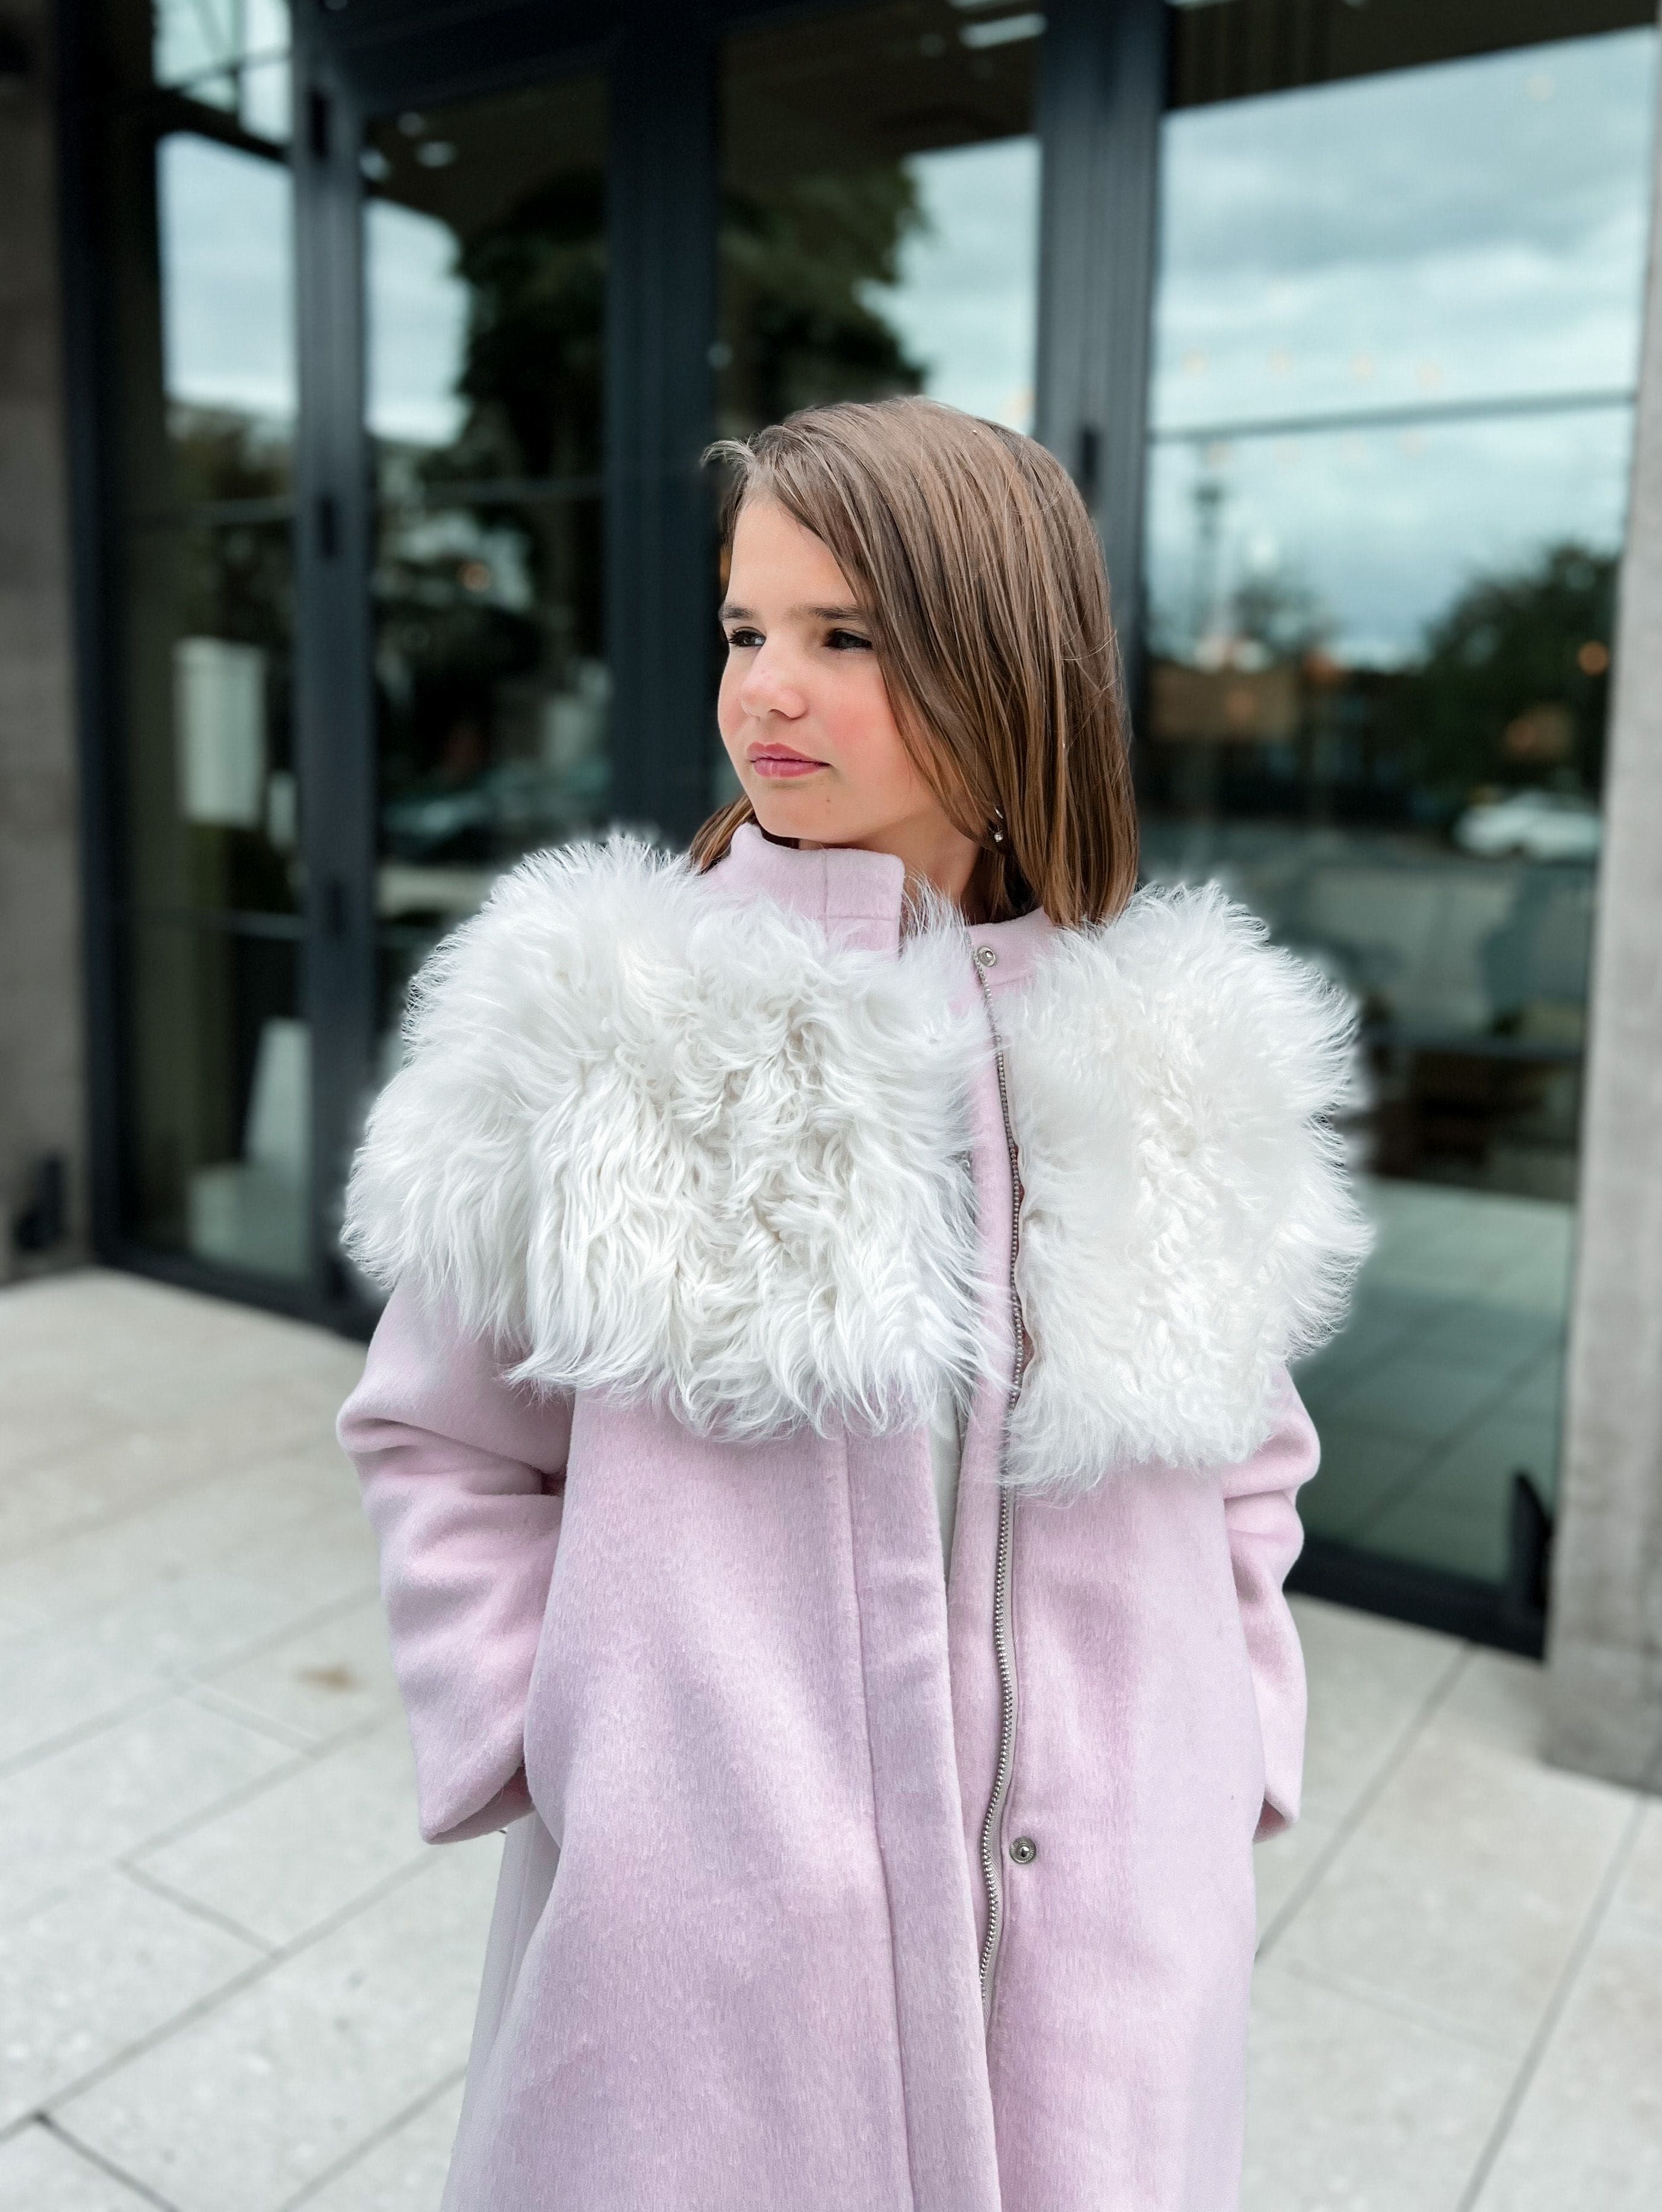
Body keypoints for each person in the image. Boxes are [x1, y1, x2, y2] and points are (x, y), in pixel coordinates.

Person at [337, 396, 1367, 2212]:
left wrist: (1235, 1758)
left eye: (844, 637)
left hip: (1114, 1936)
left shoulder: (1177, 1049)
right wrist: (568, 1753)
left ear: (1001, 660)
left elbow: (1252, 1464)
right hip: (702, 1961)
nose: (766, 692)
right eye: (746, 630)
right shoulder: (600, 1017)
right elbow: (439, 1432)